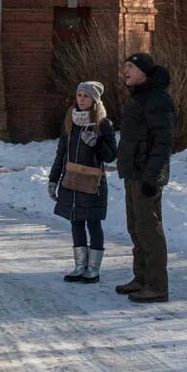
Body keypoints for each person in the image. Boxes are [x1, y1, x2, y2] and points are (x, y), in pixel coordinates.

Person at [115, 51, 175, 303]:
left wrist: (152, 177)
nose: (125, 71)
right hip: (134, 173)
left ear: (144, 71)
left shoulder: (157, 99)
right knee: (136, 228)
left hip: (147, 176)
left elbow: (163, 142)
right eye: (125, 66)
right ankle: (140, 278)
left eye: (130, 66)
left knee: (149, 230)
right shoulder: (138, 98)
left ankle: (156, 286)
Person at [47, 80, 117, 283]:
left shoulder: (103, 123)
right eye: (79, 95)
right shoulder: (70, 121)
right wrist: (53, 179)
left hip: (93, 183)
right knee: (75, 222)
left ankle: (93, 268)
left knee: (93, 224)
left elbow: (111, 156)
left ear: (94, 99)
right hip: (71, 180)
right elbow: (62, 153)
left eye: (86, 96)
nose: (81, 99)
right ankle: (79, 266)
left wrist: (96, 144)